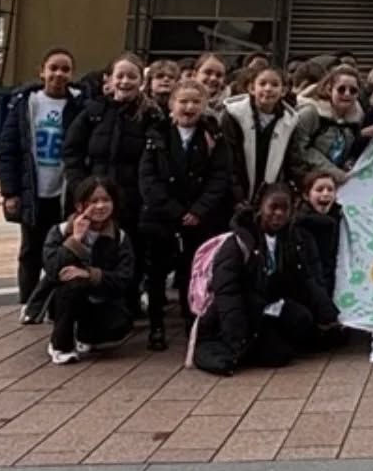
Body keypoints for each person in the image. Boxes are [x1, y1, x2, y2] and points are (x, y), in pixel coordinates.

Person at [190, 185, 343, 376]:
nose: (278, 214)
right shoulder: (237, 244)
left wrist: (329, 316)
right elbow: (228, 294)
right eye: (273, 207)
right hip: (241, 309)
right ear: (261, 207)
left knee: (302, 321)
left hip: (268, 304)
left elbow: (308, 279)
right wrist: (236, 338)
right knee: (277, 355)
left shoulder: (292, 239)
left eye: (284, 208)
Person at [138, 80, 235, 349]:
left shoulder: (213, 137)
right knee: (156, 274)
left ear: (204, 105)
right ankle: (156, 327)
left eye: (195, 102)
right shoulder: (155, 136)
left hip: (200, 218)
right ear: (172, 106)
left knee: (192, 272)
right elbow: (148, 179)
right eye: (183, 101)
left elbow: (220, 177)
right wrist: (175, 211)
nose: (189, 107)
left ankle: (192, 321)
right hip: (160, 218)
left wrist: (198, 211)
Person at [0, 46, 85, 312]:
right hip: (32, 190)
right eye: (53, 68)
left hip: (64, 192)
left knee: (63, 249)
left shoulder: (80, 105)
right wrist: (10, 192)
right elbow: (8, 150)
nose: (59, 74)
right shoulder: (26, 104)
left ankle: (56, 304)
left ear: (72, 74)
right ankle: (28, 302)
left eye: (65, 69)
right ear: (42, 71)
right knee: (30, 250)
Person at [62, 52, 161, 254]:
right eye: (120, 76)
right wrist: (81, 187)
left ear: (142, 81)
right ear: (109, 79)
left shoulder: (152, 117)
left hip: (134, 204)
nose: (125, 81)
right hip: (94, 201)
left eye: (132, 77)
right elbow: (72, 151)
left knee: (131, 258)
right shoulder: (93, 112)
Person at [41, 176, 135, 365]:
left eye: (106, 200)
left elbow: (124, 278)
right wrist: (74, 240)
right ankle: (60, 344)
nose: (100, 206)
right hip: (61, 298)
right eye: (93, 201)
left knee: (119, 324)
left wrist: (90, 274)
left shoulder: (120, 236)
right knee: (73, 283)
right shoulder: (60, 231)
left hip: (100, 298)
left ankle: (86, 335)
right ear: (79, 205)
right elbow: (52, 269)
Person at [220, 66, 298, 207]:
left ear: (284, 91)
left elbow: (288, 162)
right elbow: (230, 158)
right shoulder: (233, 115)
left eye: (275, 84)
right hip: (234, 192)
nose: (268, 89)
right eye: (262, 84)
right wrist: (238, 195)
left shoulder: (290, 121)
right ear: (251, 88)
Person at [292, 66, 370, 183]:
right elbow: (299, 151)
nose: (347, 94)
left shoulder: (358, 119)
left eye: (353, 90)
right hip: (306, 180)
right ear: (329, 89)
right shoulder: (310, 113)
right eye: (341, 89)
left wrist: (349, 163)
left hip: (338, 182)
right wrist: (333, 171)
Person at [295, 171, 343, 298]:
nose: (325, 193)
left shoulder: (340, 218)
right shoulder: (299, 225)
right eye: (319, 189)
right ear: (306, 195)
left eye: (330, 189)